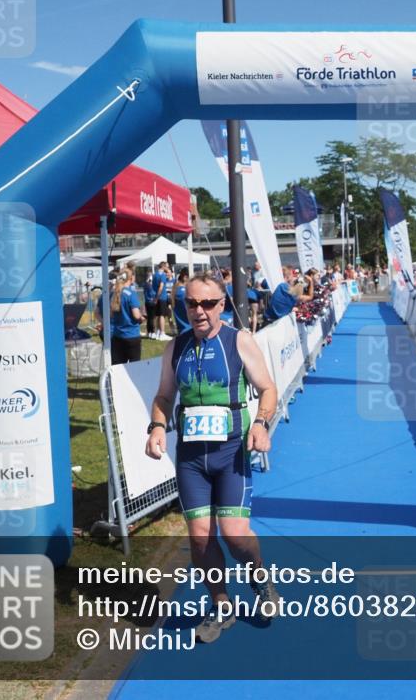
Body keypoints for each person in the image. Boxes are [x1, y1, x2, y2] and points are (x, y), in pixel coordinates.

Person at [145, 273, 279, 642]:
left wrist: (262, 425)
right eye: (192, 303)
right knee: (201, 539)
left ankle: (260, 579)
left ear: (222, 305)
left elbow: (268, 389)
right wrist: (156, 427)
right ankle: (222, 607)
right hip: (191, 456)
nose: (199, 311)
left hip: (230, 452)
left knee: (235, 536)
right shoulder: (175, 347)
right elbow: (163, 396)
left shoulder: (240, 341)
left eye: (207, 303)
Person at [110, 270, 144, 364]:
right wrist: (142, 318)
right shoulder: (131, 293)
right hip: (131, 335)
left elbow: (111, 314)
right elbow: (136, 315)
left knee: (118, 366)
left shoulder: (115, 293)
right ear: (131, 278)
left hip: (118, 335)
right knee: (134, 367)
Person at [171, 268, 191, 335]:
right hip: (187, 328)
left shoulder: (177, 289)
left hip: (183, 328)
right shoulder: (182, 292)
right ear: (185, 277)